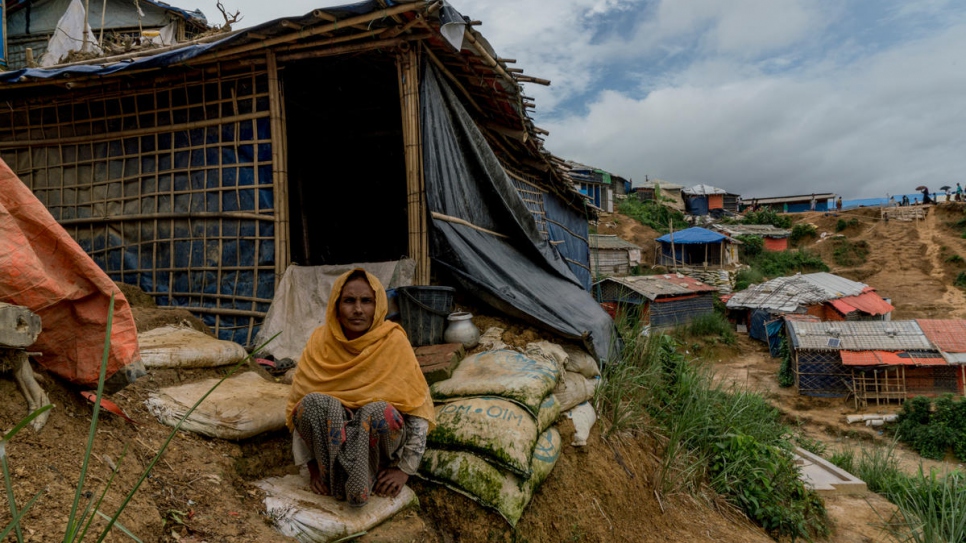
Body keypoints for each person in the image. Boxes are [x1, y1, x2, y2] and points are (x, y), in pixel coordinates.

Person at [285, 269, 436, 506]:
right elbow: (297, 408)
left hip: (381, 451)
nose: (357, 310)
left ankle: (365, 477)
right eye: (349, 301)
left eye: (366, 301)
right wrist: (312, 469)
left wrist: (405, 470)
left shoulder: (393, 341)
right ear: (336, 305)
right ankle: (333, 475)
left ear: (378, 306)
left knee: (377, 412)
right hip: (331, 446)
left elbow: (418, 411)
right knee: (313, 403)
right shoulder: (320, 342)